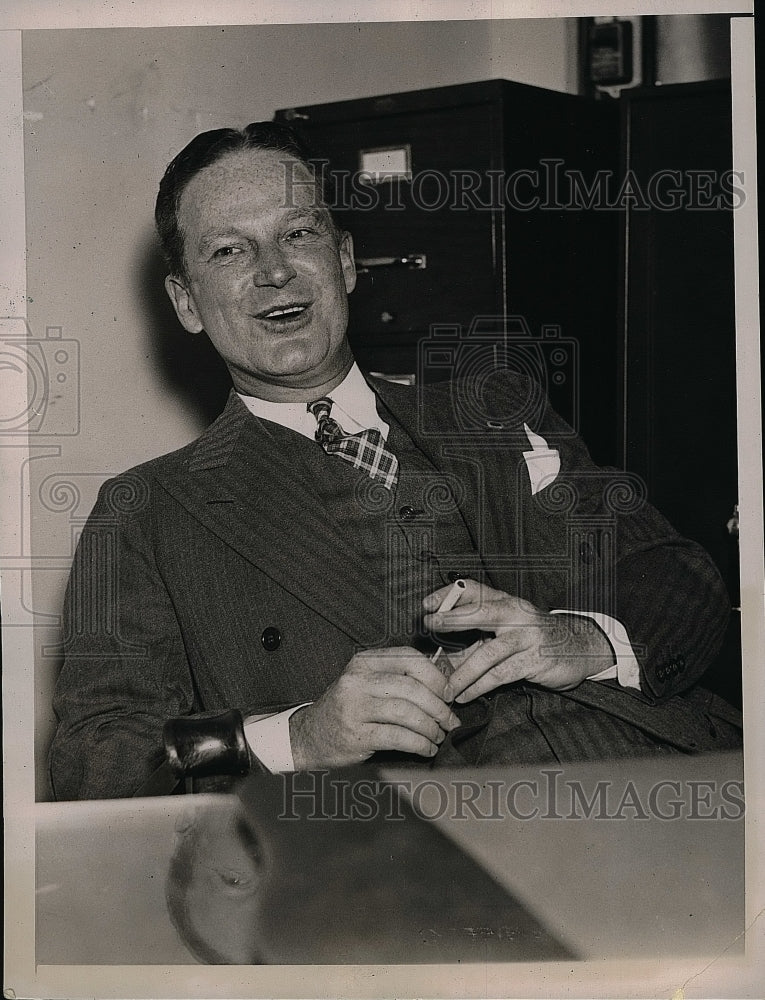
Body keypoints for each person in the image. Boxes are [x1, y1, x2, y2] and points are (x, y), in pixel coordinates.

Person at [49, 122, 741, 800]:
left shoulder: (494, 410)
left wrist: (581, 638)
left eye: (299, 233)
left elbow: (674, 571)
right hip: (416, 847)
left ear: (344, 261)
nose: (275, 271)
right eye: (230, 251)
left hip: (671, 778)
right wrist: (299, 738)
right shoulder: (148, 511)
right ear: (186, 302)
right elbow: (94, 760)